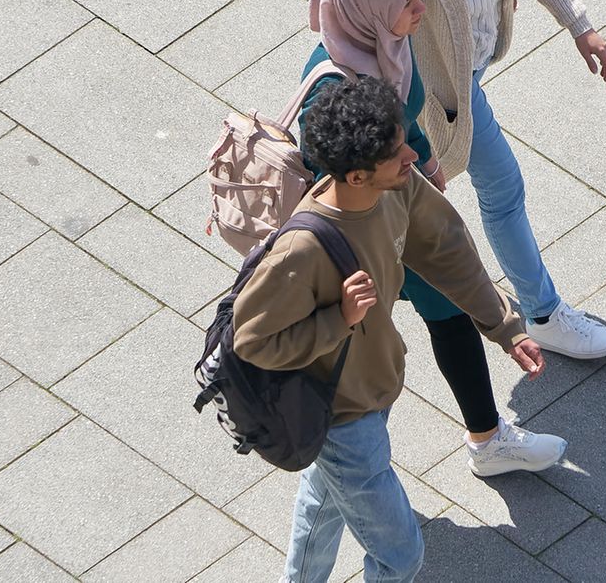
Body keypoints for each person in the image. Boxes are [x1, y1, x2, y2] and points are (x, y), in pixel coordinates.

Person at [234, 77, 555, 581]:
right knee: (401, 556)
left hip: (373, 386)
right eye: (395, 152)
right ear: (357, 176)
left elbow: (447, 247)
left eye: (403, 140)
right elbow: (251, 341)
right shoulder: (302, 251)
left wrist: (506, 327)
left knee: (323, 503)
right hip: (342, 414)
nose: (411, 155)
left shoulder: (396, 188)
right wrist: (338, 320)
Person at [298, 0, 566, 477]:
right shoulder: (329, 92)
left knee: (445, 313)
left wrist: (420, 155)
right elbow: (331, 171)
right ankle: (353, 457)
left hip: (402, 205)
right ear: (367, 8)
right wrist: (404, 178)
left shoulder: (386, 43)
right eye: (409, 1)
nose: (422, 7)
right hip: (369, 232)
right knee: (389, 335)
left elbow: (404, 109)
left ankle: (481, 438)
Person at [368, 0, 606, 360]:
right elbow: (382, 41)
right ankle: (544, 313)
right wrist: (411, 130)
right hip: (442, 92)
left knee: (463, 193)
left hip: (467, 73)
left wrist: (580, 25)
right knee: (502, 189)